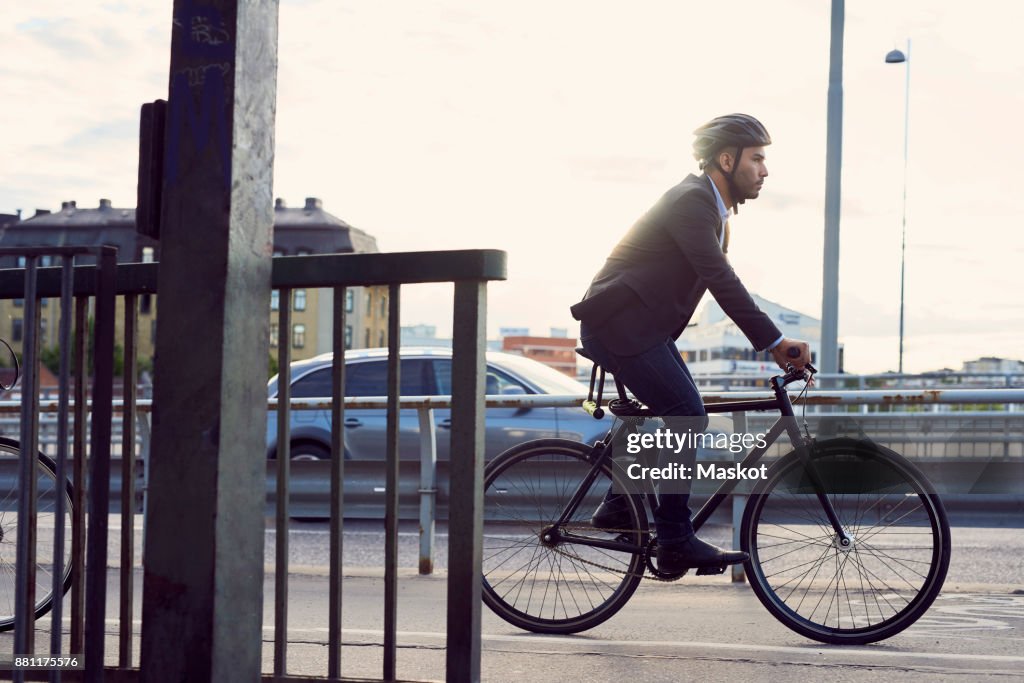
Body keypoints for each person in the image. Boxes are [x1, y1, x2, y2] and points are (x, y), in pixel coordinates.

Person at [570, 113, 811, 574]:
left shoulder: (713, 211)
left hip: (641, 329)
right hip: (620, 326)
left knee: (676, 412)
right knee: (687, 413)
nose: (764, 170)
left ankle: (617, 506)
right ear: (727, 159)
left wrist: (772, 339)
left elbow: (714, 280)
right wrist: (775, 341)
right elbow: (720, 278)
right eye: (757, 158)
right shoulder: (691, 202)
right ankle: (676, 538)